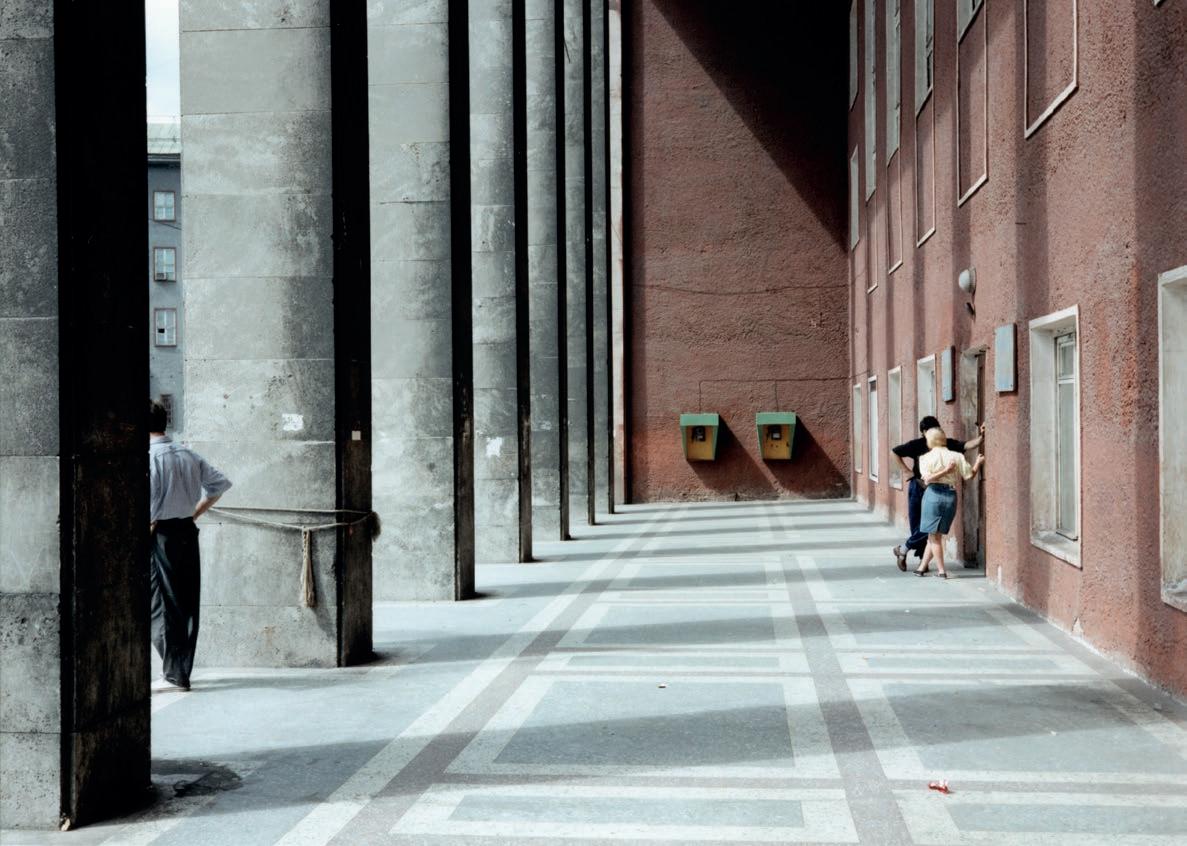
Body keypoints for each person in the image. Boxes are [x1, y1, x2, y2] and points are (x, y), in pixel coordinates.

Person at [148, 399, 232, 691]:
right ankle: (180, 670)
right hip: (186, 530)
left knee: (161, 602)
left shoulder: (150, 457)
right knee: (186, 602)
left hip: (160, 533)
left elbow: (150, 503)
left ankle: (175, 674)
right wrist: (194, 513)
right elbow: (219, 485)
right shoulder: (187, 453)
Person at [891, 416, 984, 571]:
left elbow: (968, 445)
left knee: (930, 527)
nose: (933, 432)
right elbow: (895, 452)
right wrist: (906, 471)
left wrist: (982, 437)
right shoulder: (917, 444)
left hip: (936, 490)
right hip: (918, 487)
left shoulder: (946, 443)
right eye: (929, 430)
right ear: (923, 432)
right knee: (918, 525)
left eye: (936, 428)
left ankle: (905, 550)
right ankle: (921, 560)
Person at [915, 426, 985, 578]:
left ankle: (941, 571)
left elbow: (927, 479)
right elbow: (969, 476)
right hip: (950, 495)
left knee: (934, 536)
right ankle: (921, 568)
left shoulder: (925, 458)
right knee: (934, 535)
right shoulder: (956, 455)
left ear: (930, 441)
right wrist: (978, 463)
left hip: (933, 495)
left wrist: (946, 471)